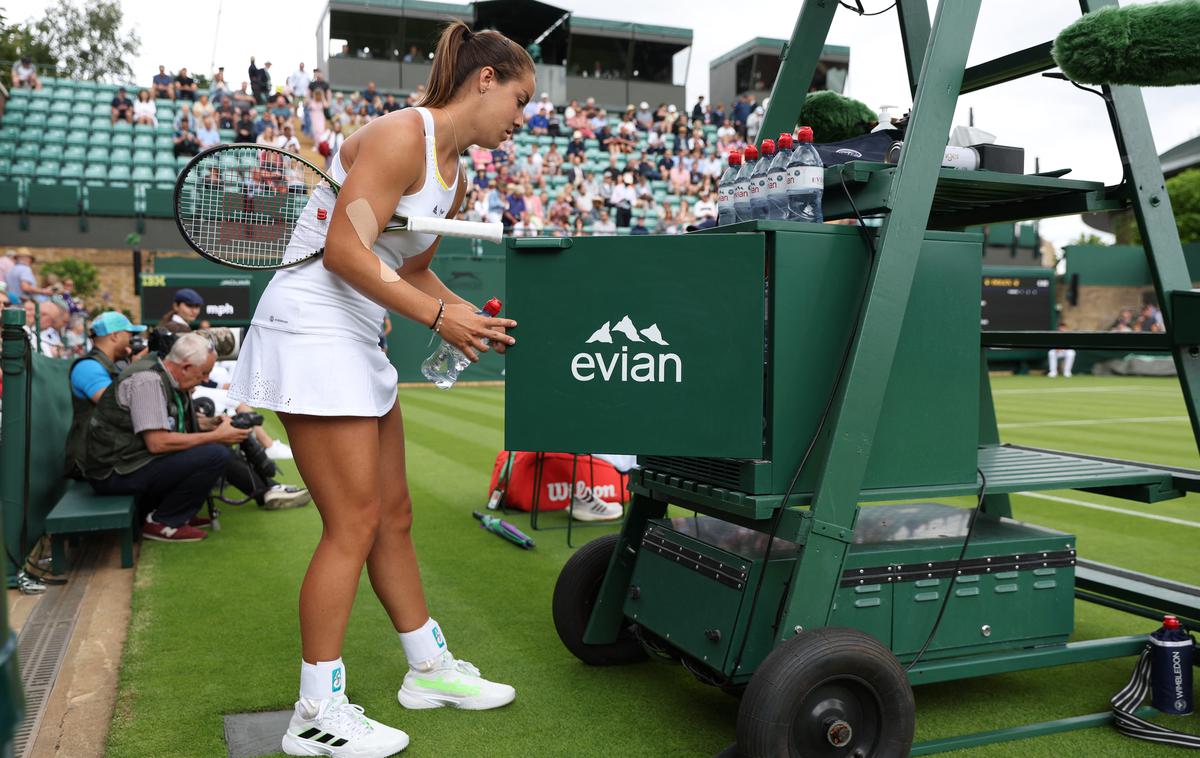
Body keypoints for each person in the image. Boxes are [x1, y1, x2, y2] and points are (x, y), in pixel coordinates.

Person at [227, 19, 527, 756]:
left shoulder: (454, 178)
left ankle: (427, 668)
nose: (522, 119)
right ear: (484, 80)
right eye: (519, 100)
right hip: (311, 327)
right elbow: (343, 252)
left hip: (356, 332)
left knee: (392, 513)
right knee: (352, 524)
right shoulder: (402, 136)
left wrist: (461, 315)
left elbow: (410, 265)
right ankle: (316, 714)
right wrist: (434, 317)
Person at [82, 334, 248, 542]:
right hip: (113, 472)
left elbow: (161, 423)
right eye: (204, 373)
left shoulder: (165, 375)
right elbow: (158, 443)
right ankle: (164, 521)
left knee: (210, 451)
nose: (206, 379)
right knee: (214, 454)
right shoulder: (147, 380)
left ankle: (177, 514)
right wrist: (216, 436)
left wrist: (210, 424)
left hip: (127, 462)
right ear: (186, 367)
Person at [66, 312, 149, 478]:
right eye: (129, 334)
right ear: (115, 336)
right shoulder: (88, 367)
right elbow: (114, 405)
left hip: (107, 456)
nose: (132, 340)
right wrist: (136, 370)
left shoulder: (110, 366)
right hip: (90, 464)